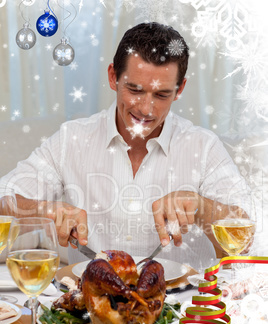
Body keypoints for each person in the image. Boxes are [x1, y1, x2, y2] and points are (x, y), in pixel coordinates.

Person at [0, 22, 247, 270]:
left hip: (187, 304)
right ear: (112, 77)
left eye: (161, 95)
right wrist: (45, 210)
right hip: (91, 305)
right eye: (134, 89)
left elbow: (247, 241)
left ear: (179, 89)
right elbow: (3, 201)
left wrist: (201, 207)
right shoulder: (71, 139)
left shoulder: (203, 146)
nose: (145, 109)